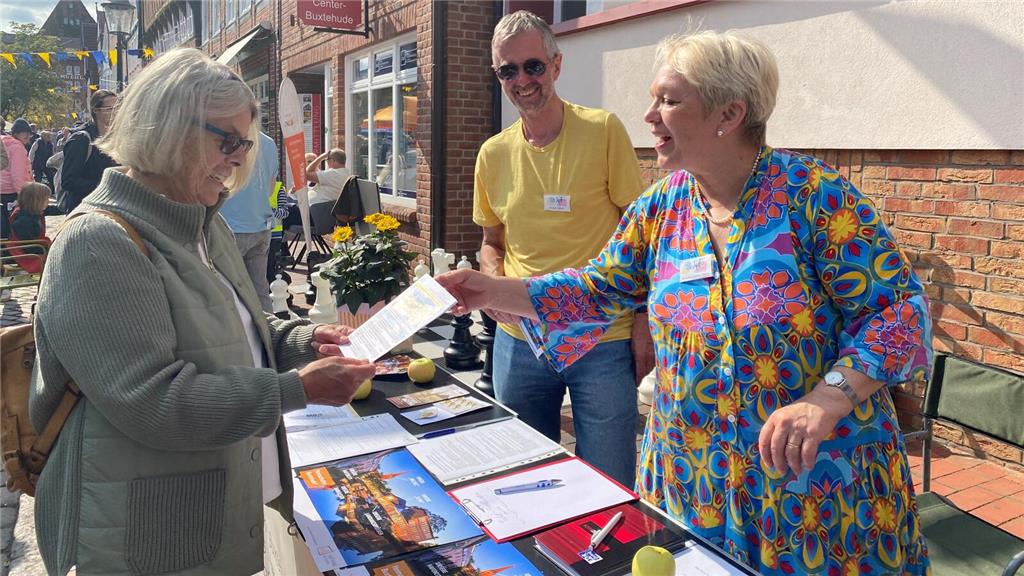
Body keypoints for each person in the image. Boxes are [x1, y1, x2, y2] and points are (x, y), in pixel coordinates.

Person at [439, 30, 932, 575]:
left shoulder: (815, 198)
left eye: (669, 100)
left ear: (728, 114)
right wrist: (490, 289)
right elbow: (599, 289)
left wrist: (829, 397)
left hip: (815, 491)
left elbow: (899, 312)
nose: (649, 115)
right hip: (694, 480)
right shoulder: (663, 206)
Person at [30, 47, 377, 576]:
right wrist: (297, 389)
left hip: (204, 521)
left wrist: (304, 341)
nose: (240, 157)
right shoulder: (97, 242)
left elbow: (236, 331)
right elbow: (154, 401)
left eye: (247, 142)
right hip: (145, 541)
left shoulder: (200, 219)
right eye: (228, 140)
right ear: (167, 129)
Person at [473, 10, 651, 489]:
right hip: (522, 337)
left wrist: (643, 320)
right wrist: (491, 288)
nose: (522, 80)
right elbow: (492, 243)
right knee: (525, 478)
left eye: (532, 66)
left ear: (556, 65)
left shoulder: (603, 130)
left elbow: (642, 237)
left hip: (601, 335)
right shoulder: (493, 153)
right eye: (507, 70)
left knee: (608, 482)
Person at [218, 131, 279, 312]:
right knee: (260, 290)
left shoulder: (224, 138)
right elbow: (270, 189)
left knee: (228, 292)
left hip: (229, 226)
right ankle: (268, 337)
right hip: (261, 224)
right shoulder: (268, 143)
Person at [58, 89, 117, 213]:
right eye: (109, 109)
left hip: (108, 208)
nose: (115, 113)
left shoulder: (115, 137)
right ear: (96, 110)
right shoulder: (81, 139)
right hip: (83, 209)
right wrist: (101, 185)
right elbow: (68, 181)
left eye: (117, 108)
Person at [7, 181, 52, 273]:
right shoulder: (23, 221)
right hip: (25, 256)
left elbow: (52, 210)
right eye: (46, 200)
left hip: (35, 248)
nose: (48, 202)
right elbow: (28, 246)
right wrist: (49, 251)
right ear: (36, 201)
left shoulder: (31, 212)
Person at [1, 118, 34, 239]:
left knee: (3, 229)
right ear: (16, 133)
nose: (28, 135)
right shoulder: (17, 147)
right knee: (14, 230)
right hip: (13, 193)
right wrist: (24, 197)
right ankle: (13, 255)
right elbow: (17, 175)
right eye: (24, 132)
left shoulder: (4, 143)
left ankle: (4, 254)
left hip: (2, 192)